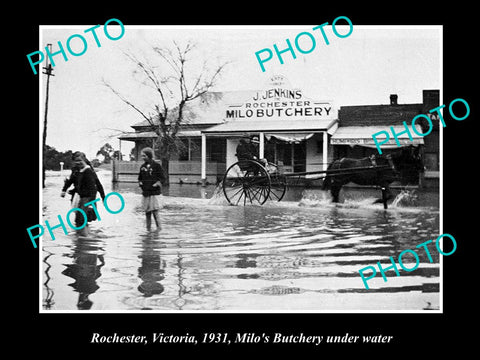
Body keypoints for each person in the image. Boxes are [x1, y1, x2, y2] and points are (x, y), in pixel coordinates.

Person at [70, 152, 105, 235]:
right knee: (79, 219)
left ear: (84, 160)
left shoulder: (88, 171)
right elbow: (76, 183)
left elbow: (97, 185)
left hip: (87, 198)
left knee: (82, 219)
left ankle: (86, 239)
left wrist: (103, 197)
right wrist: (68, 190)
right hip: (80, 197)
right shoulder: (77, 170)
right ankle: (82, 238)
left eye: (79, 160)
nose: (77, 163)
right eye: (75, 161)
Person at [138, 147, 166, 230]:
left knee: (155, 212)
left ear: (149, 156)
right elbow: (140, 178)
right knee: (147, 212)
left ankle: (159, 229)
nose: (143, 158)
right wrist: (140, 182)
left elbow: (163, 178)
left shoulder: (156, 166)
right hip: (146, 192)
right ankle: (148, 230)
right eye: (142, 156)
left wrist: (157, 183)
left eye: (144, 156)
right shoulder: (142, 167)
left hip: (154, 192)